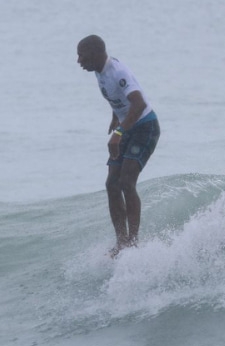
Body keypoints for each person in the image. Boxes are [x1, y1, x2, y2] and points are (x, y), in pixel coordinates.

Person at [77, 35, 160, 257]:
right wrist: (116, 116)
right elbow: (118, 98)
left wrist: (120, 132)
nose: (78, 61)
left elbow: (138, 102)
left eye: (82, 56)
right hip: (127, 127)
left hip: (144, 128)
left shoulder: (117, 72)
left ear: (95, 54)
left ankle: (132, 242)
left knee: (126, 181)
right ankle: (121, 242)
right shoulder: (99, 71)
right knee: (112, 183)